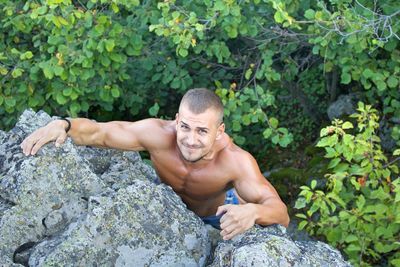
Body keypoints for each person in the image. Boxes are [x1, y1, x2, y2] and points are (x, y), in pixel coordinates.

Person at [21, 88, 289, 240]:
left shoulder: (235, 162)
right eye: (184, 127)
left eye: (202, 132)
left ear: (219, 131)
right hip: (166, 204)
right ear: (176, 119)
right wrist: (63, 125)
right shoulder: (158, 134)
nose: (190, 140)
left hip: (216, 214)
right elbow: (99, 133)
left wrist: (252, 212)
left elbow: (280, 212)